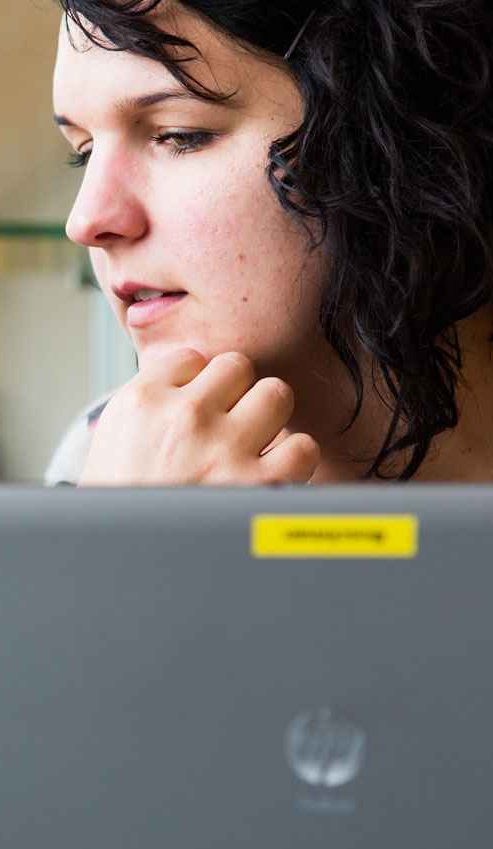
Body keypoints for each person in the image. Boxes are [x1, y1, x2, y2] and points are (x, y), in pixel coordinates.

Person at [43, 0, 493, 486]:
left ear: (395, 142)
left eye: (180, 136)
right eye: (84, 153)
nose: (85, 220)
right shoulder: (109, 461)